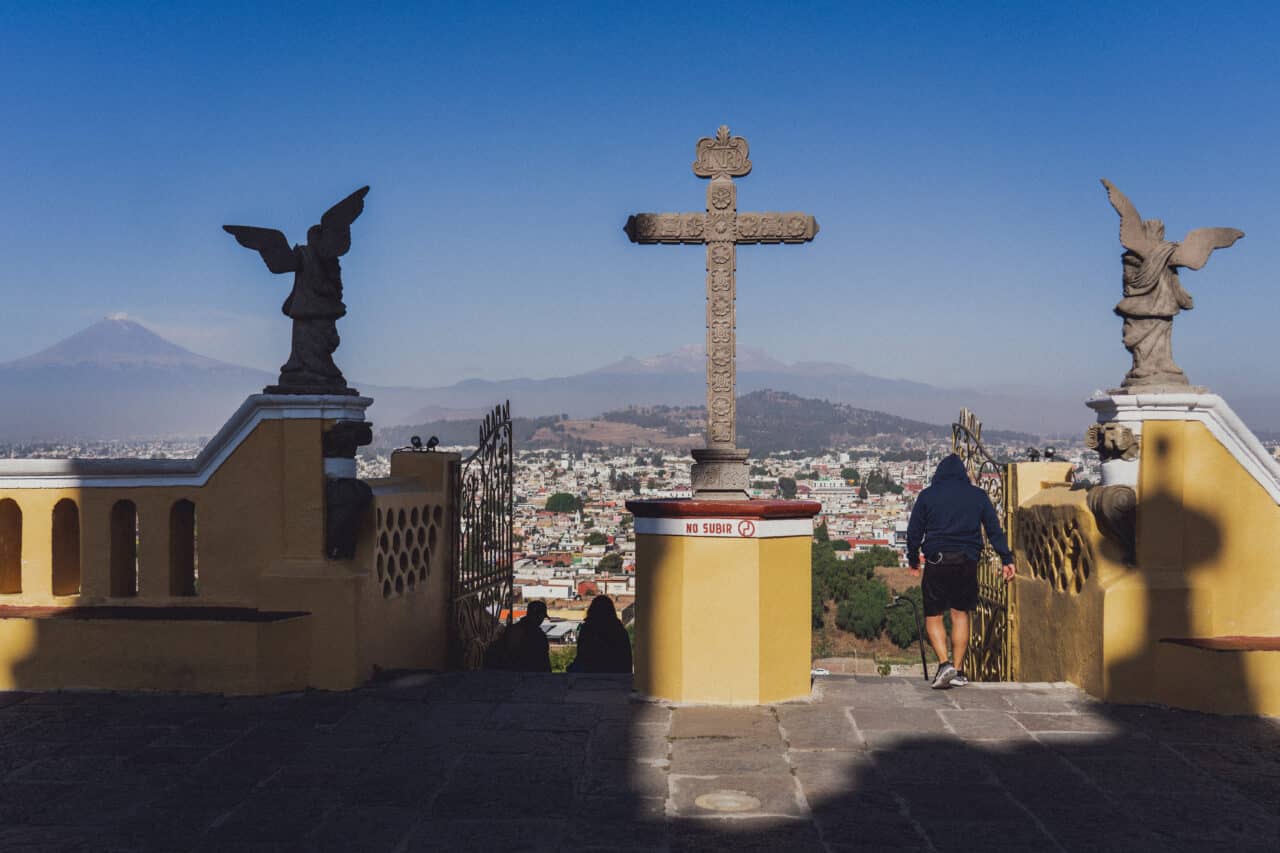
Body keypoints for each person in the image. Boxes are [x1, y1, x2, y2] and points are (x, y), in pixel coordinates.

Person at [906, 454, 1015, 689]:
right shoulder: (977, 496)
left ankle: (944, 664)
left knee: (934, 615)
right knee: (960, 614)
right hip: (967, 561)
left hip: (937, 560)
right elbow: (994, 529)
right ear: (964, 475)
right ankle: (958, 670)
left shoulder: (927, 496)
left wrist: (914, 560)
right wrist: (1006, 558)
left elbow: (914, 532)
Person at [569, 595, 633, 674]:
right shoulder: (619, 631)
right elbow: (626, 661)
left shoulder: (588, 629)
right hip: (618, 679)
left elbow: (582, 657)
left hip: (589, 679)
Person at [486, 600, 551, 672]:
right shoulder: (538, 636)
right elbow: (543, 662)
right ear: (539, 616)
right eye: (542, 617)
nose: (542, 620)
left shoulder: (513, 629)